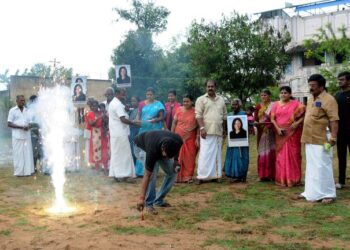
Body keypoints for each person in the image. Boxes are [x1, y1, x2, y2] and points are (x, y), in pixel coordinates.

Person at [300, 74, 339, 204]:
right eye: (310, 85)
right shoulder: (311, 99)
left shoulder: (329, 99)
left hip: (323, 138)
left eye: (313, 85)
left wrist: (333, 137)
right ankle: (311, 192)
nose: (310, 88)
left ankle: (328, 194)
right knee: (312, 166)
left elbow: (334, 120)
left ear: (321, 86)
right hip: (309, 138)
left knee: (323, 165)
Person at [135, 130, 183, 215]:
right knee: (152, 174)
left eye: (169, 157)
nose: (168, 159)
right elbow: (147, 176)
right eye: (166, 156)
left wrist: (175, 160)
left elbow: (176, 150)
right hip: (141, 147)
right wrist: (141, 198)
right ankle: (148, 204)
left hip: (158, 146)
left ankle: (159, 200)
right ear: (163, 148)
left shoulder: (177, 140)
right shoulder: (152, 150)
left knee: (172, 172)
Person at [270, 86, 305, 187]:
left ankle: (294, 179)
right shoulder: (275, 105)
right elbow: (272, 119)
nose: (283, 94)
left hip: (293, 133)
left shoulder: (296, 104)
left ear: (290, 94)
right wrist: (277, 129)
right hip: (280, 133)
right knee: (281, 156)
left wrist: (297, 123)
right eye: (281, 93)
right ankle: (282, 179)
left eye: (285, 93)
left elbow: (305, 114)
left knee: (293, 155)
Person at [195, 80, 227, 184]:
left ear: (215, 87)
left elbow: (224, 116)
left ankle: (216, 175)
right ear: (206, 88)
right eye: (208, 86)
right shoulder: (201, 100)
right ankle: (202, 176)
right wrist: (202, 128)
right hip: (206, 132)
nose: (210, 88)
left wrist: (225, 129)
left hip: (218, 131)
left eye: (212, 86)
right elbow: (198, 115)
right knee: (205, 154)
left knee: (217, 154)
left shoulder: (221, 100)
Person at [108, 88, 138, 181]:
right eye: (122, 93)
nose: (125, 95)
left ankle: (116, 175)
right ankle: (125, 175)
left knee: (117, 154)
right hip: (120, 133)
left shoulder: (114, 103)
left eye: (125, 93)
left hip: (115, 133)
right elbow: (123, 119)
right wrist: (134, 123)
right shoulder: (117, 104)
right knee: (125, 155)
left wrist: (126, 110)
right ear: (117, 93)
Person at [171, 94, 198, 183]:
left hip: (190, 138)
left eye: (187, 101)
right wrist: (171, 134)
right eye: (184, 101)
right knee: (177, 157)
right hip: (178, 137)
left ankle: (187, 177)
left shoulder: (196, 111)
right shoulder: (179, 110)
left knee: (190, 157)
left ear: (192, 102)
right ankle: (176, 177)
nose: (185, 103)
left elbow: (198, 124)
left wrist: (193, 128)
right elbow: (174, 123)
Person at [7, 95, 35, 176]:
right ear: (17, 101)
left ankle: (28, 172)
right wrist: (21, 127)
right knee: (18, 154)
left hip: (26, 136)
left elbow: (30, 122)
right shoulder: (12, 110)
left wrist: (28, 126)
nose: (23, 102)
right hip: (17, 136)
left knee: (27, 154)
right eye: (21, 101)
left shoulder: (27, 110)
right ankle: (19, 173)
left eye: (23, 100)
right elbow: (9, 123)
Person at [224, 99, 249, 182]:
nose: (234, 106)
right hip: (232, 140)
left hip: (242, 141)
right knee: (233, 157)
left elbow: (247, 125)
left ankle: (242, 175)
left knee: (242, 157)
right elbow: (226, 126)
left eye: (236, 104)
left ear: (239, 105)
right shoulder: (229, 115)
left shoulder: (243, 114)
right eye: (232, 105)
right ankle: (235, 175)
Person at [255, 89, 276, 181]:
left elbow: (276, 118)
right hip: (261, 132)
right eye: (262, 95)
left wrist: (269, 125)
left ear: (269, 96)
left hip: (271, 132)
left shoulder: (274, 106)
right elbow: (255, 119)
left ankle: (272, 174)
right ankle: (262, 175)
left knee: (272, 152)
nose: (263, 97)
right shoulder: (258, 106)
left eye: (265, 95)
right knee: (262, 152)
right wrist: (257, 124)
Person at [335, 71, 350, 189]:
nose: (340, 82)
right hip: (341, 132)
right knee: (341, 156)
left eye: (342, 80)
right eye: (339, 80)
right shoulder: (337, 96)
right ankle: (341, 181)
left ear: (348, 81)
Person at [85, 100, 109, 172]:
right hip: (95, 133)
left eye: (95, 106)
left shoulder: (101, 112)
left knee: (104, 149)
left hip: (102, 132)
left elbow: (106, 121)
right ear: (91, 107)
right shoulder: (89, 114)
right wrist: (99, 117)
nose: (94, 107)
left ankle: (105, 167)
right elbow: (91, 123)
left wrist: (104, 116)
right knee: (96, 150)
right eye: (93, 106)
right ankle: (97, 167)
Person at [129, 96, 144, 177]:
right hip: (132, 133)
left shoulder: (140, 110)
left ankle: (139, 169)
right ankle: (134, 168)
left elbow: (139, 122)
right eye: (132, 101)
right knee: (132, 150)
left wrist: (131, 122)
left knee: (137, 151)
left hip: (138, 132)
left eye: (134, 101)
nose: (133, 103)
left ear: (139, 102)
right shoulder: (132, 110)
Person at [27, 95, 43, 172]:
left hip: (41, 132)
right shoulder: (29, 110)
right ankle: (34, 167)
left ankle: (41, 167)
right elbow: (29, 122)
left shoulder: (40, 109)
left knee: (41, 150)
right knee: (34, 150)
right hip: (33, 132)